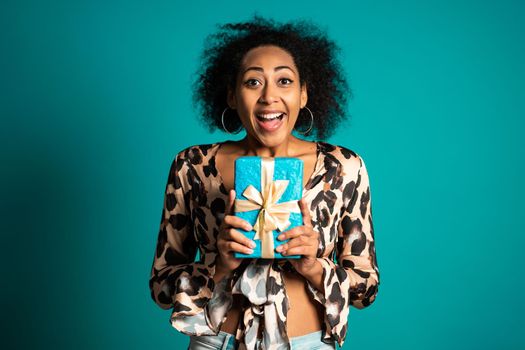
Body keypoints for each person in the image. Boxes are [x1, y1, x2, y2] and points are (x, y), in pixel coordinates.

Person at [149, 15, 380, 350]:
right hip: (217, 342)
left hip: (311, 343)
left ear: (303, 95)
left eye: (284, 81)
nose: (269, 96)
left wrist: (315, 267)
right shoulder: (193, 166)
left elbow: (366, 289)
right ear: (231, 95)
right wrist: (218, 266)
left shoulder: (343, 168)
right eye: (253, 82)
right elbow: (161, 287)